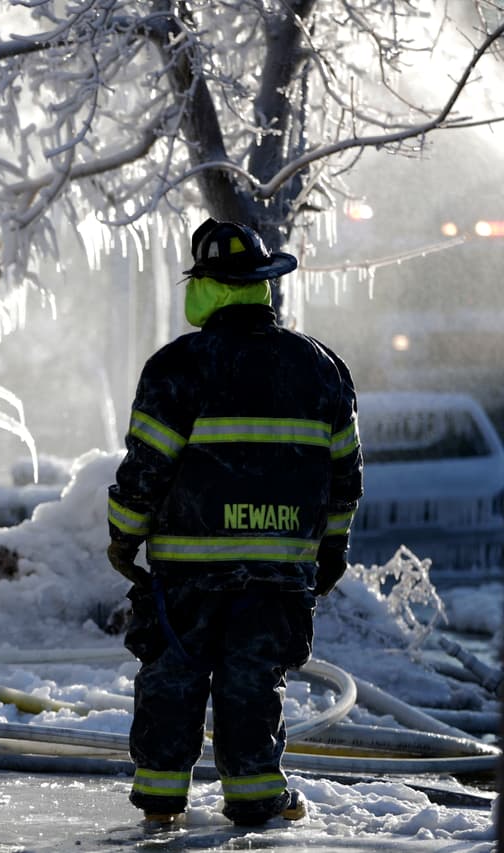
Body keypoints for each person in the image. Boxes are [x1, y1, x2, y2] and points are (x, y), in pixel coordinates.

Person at [105, 218, 363, 826]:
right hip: (278, 570)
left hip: (189, 573)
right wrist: (332, 549)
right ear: (261, 285)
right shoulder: (320, 367)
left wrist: (123, 538)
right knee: (252, 680)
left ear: (210, 288)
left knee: (174, 678)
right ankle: (254, 798)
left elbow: (145, 468)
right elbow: (345, 476)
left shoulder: (177, 367)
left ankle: (162, 803)